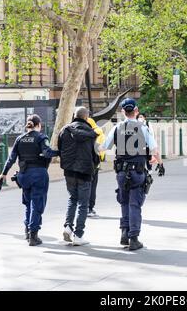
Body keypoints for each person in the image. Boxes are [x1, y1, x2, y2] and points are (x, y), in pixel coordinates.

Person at [101, 98, 164, 250]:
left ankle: (124, 232)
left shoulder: (117, 128)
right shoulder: (142, 127)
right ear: (136, 111)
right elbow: (154, 149)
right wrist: (160, 163)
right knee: (135, 204)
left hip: (121, 172)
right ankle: (134, 238)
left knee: (124, 201)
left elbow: (103, 147)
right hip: (137, 171)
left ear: (123, 111)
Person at [0, 114, 59, 246]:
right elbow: (48, 153)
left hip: (23, 175)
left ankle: (27, 231)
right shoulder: (41, 137)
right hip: (38, 174)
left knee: (28, 203)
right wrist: (59, 152)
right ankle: (33, 235)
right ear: (39, 125)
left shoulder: (19, 139)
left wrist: (3, 174)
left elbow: (11, 158)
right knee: (37, 204)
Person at [58, 107, 100, 246]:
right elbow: (96, 155)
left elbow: (60, 149)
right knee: (83, 204)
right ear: (86, 118)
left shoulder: (64, 130)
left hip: (69, 171)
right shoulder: (92, 133)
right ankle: (78, 235)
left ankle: (68, 227)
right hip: (85, 172)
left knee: (72, 199)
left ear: (75, 116)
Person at [86, 117, 106, 218]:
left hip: (81, 163)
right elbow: (102, 150)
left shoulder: (79, 132)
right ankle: (90, 208)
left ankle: (82, 207)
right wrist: (101, 158)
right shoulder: (99, 133)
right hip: (94, 163)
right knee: (92, 186)